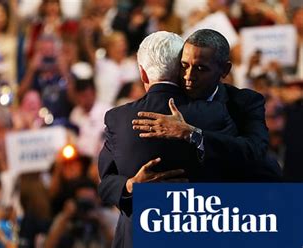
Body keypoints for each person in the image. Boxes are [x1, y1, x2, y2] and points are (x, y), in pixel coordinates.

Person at [97, 31, 238, 247]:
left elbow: (106, 184)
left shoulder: (118, 118)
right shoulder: (214, 113)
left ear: (143, 74)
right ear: (182, 69)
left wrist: (130, 185)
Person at [131, 29, 282, 181]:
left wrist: (192, 134)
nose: (188, 76)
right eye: (184, 66)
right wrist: (130, 185)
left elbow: (255, 150)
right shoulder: (167, 100)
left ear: (225, 70)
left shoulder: (246, 101)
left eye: (200, 68)